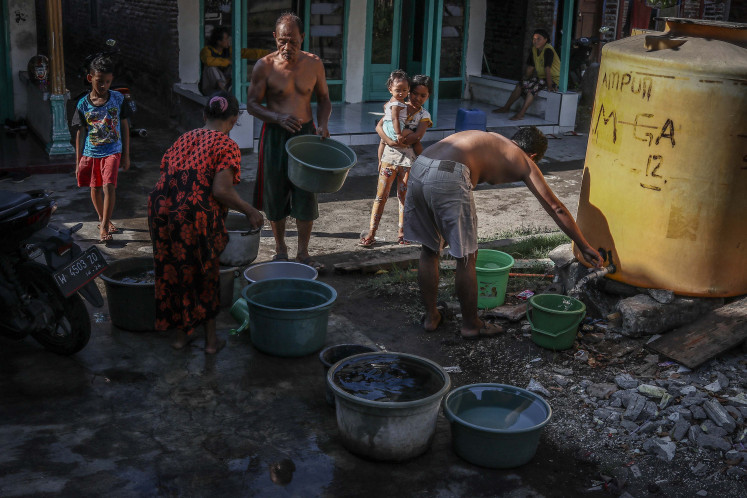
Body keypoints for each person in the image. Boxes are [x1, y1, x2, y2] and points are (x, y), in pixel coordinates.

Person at [403, 127, 603, 339]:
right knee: (466, 257)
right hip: (449, 174)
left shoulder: (496, 140)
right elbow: (556, 208)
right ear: (533, 156)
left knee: (429, 250)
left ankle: (431, 317)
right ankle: (471, 325)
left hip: (420, 165)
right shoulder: (524, 160)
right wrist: (583, 245)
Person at [147, 91, 264, 354]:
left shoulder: (183, 138)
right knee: (204, 272)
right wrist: (249, 210)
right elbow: (221, 190)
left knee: (175, 270)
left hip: (161, 208)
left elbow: (168, 173)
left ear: (204, 115)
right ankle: (211, 342)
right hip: (193, 214)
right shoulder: (226, 144)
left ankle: (180, 337)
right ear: (234, 120)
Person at [246, 12, 331, 270]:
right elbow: (251, 104)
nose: (287, 47)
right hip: (274, 135)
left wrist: (324, 124)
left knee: (306, 192)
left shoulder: (314, 64)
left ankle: (303, 253)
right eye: (282, 41)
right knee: (275, 191)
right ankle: (280, 249)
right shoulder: (265, 65)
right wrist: (276, 117)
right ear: (274, 38)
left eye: (293, 41)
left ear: (302, 38)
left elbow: (324, 99)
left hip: (305, 133)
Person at [360, 74, 433, 247]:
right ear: (408, 92)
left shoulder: (424, 115)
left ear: (428, 96)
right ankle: (371, 233)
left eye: (423, 95)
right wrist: (390, 141)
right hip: (388, 159)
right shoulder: (395, 107)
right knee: (380, 197)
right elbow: (379, 126)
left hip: (408, 163)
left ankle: (403, 233)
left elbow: (417, 136)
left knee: (404, 198)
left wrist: (397, 138)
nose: (418, 98)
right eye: (415, 93)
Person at [71, 55, 131, 244]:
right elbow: (80, 133)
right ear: (90, 78)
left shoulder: (118, 99)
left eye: (107, 81)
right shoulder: (82, 104)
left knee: (108, 186)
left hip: (113, 149)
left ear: (111, 79)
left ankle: (104, 225)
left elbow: (125, 126)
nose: (104, 85)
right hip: (91, 151)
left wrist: (126, 155)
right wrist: (78, 161)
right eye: (99, 81)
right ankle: (102, 218)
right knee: (95, 187)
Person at [492, 29, 561, 121]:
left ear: (545, 39)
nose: (535, 41)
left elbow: (547, 69)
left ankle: (521, 113)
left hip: (552, 79)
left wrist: (550, 86)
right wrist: (525, 80)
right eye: (534, 39)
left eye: (539, 39)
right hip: (542, 78)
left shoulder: (548, 50)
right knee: (520, 84)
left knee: (532, 89)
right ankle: (506, 107)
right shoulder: (534, 50)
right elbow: (530, 68)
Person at [200, 25, 270, 95]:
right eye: (226, 39)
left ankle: (227, 90)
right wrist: (228, 62)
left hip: (223, 85)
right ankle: (224, 91)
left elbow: (245, 53)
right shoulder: (206, 50)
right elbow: (208, 61)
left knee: (234, 65)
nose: (228, 41)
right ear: (219, 41)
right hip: (209, 88)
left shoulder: (228, 50)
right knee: (210, 68)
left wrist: (267, 53)